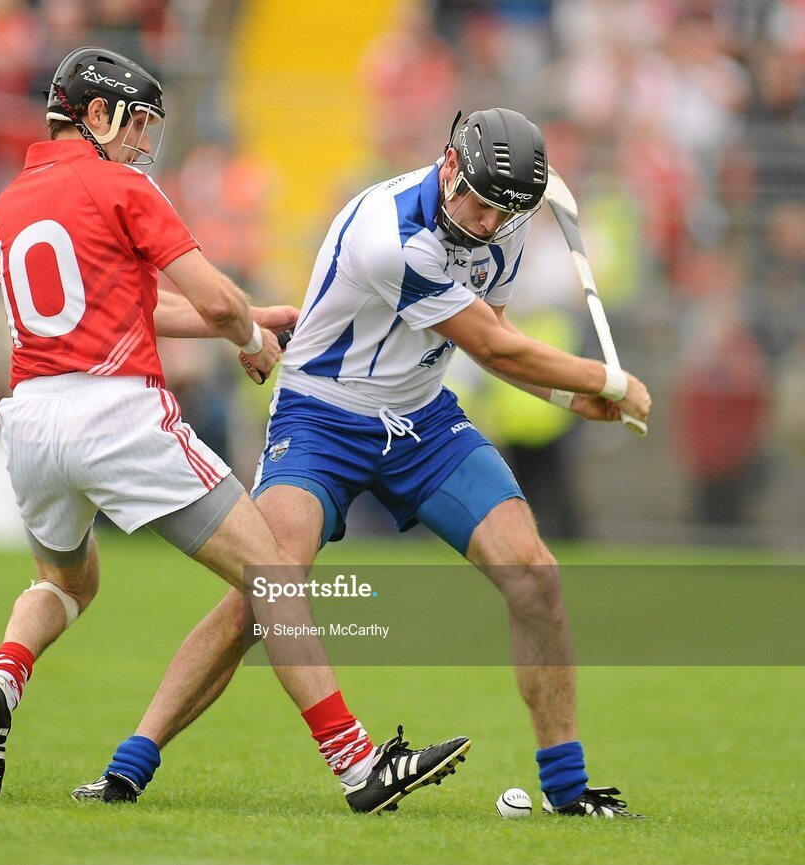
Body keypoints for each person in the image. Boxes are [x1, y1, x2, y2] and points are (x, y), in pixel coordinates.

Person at [75, 107, 652, 818]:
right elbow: (495, 348)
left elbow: (492, 335)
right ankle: (129, 764)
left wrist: (568, 394)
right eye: (473, 198)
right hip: (321, 417)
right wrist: (604, 380)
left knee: (535, 575)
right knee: (267, 591)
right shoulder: (389, 235)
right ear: (448, 163)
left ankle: (568, 789)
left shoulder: (506, 222)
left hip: (425, 420)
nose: (481, 220)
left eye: (500, 211)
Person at [0, 46, 470, 815]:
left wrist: (243, 321)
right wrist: (249, 334)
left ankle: (3, 675)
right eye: (135, 124)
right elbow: (215, 296)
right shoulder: (123, 184)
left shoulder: (10, 201)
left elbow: (133, 309)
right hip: (116, 413)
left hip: (30, 422)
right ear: (95, 114)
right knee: (273, 575)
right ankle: (358, 764)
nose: (142, 143)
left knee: (66, 580)